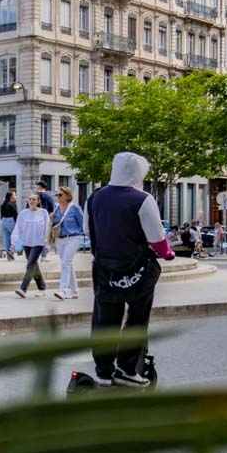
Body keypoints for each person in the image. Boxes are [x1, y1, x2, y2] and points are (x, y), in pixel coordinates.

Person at [84, 152, 174, 387]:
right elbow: (157, 238)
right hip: (137, 270)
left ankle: (103, 372)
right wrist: (167, 254)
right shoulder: (142, 199)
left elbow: (87, 229)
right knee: (137, 317)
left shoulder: (94, 198)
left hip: (105, 269)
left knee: (104, 319)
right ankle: (126, 368)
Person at [11, 193, 50, 297]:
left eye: (34, 199)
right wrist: (13, 243)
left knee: (30, 265)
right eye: (30, 199)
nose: (32, 201)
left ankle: (23, 289)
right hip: (27, 243)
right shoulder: (23, 213)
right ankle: (42, 288)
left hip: (38, 242)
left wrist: (47, 244)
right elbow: (17, 228)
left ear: (38, 201)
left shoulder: (43, 213)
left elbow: (47, 229)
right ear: (27, 201)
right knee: (34, 266)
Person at [52, 186, 84, 300]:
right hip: (60, 239)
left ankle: (62, 291)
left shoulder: (74, 207)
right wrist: (51, 219)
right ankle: (74, 291)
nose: (58, 197)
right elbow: (54, 225)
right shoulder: (56, 208)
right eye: (57, 195)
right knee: (68, 265)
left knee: (65, 263)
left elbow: (83, 223)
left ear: (67, 195)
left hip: (73, 238)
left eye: (60, 195)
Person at [0, 190, 18, 261]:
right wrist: (17, 224)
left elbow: (1, 215)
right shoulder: (13, 204)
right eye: (14, 195)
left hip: (4, 220)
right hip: (11, 220)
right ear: (11, 196)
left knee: (7, 239)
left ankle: (9, 257)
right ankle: (11, 251)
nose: (16, 196)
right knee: (15, 237)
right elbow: (15, 214)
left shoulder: (3, 204)